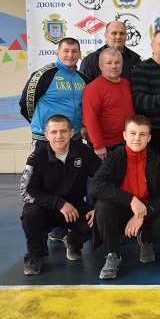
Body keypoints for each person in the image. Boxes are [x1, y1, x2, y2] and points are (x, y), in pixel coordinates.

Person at [89, 115, 160, 279]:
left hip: (147, 211)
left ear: (149, 138)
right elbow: (95, 186)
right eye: (133, 133)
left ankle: (145, 238)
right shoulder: (115, 157)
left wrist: (142, 214)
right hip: (122, 210)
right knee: (103, 206)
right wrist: (131, 200)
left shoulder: (157, 160)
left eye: (142, 134)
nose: (137, 138)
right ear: (124, 135)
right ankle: (113, 254)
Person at [19, 115, 101, 275]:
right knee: (30, 213)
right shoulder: (36, 158)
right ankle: (34, 256)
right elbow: (25, 191)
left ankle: (73, 242)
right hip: (45, 208)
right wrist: (58, 203)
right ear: (46, 135)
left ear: (72, 133)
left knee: (101, 219)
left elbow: (103, 180)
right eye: (54, 132)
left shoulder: (84, 152)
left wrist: (98, 207)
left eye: (63, 131)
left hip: (75, 208)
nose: (59, 136)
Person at [20, 37, 89, 146]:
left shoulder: (83, 78)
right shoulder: (43, 75)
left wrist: (84, 125)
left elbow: (87, 107)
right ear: (57, 53)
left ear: (80, 54)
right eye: (66, 51)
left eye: (74, 51)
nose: (70, 55)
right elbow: (26, 103)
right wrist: (40, 123)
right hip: (47, 138)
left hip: (74, 137)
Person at [82, 48, 135, 160]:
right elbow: (90, 118)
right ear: (100, 66)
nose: (113, 66)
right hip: (105, 147)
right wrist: (98, 145)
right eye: (109, 63)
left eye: (117, 62)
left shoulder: (127, 85)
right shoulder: (93, 88)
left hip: (128, 143)